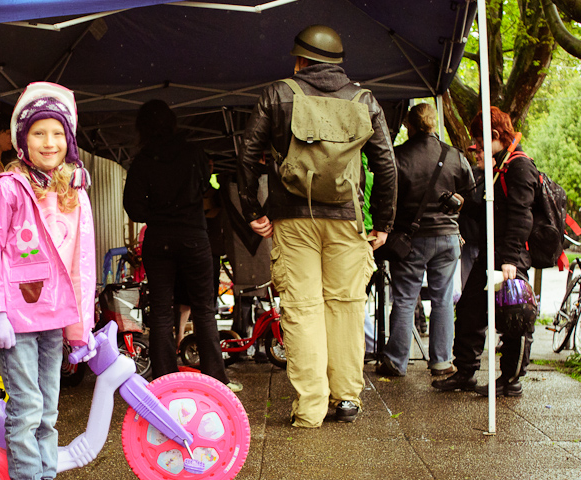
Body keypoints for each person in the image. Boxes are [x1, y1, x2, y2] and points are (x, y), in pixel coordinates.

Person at [237, 25, 397, 426]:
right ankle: (347, 399)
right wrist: (384, 223)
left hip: (292, 219)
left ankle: (310, 408)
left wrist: (253, 210)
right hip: (347, 220)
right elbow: (386, 166)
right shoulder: (364, 99)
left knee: (302, 308)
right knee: (345, 306)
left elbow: (247, 154)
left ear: (300, 60)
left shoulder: (278, 93)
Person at [0, 82, 96, 480]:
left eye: (58, 134)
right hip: (15, 318)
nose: (50, 142)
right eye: (39, 133)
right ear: (21, 140)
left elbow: (79, 261)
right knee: (26, 406)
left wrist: (79, 326)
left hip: (51, 316)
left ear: (70, 140)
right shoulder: (7, 189)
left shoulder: (69, 191)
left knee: (47, 407)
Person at [123, 99, 242, 393]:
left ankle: (163, 379)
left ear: (142, 128)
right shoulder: (194, 152)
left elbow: (133, 208)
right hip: (194, 236)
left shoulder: (142, 161)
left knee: (162, 310)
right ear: (173, 123)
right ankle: (218, 378)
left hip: (159, 238)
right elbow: (205, 187)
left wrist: (158, 213)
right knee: (204, 309)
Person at [432, 106, 538, 396]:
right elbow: (493, 213)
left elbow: (521, 215)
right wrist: (465, 205)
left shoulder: (519, 166)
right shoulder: (499, 167)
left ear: (495, 135)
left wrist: (511, 259)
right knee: (470, 310)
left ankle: (511, 380)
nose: (476, 148)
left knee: (515, 316)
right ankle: (465, 372)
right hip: (492, 252)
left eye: (479, 141)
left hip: (510, 257)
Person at [375, 103, 473, 378]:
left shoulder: (398, 156)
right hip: (448, 237)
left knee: (405, 299)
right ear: (433, 123)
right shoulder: (454, 155)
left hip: (410, 239)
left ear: (409, 125)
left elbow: (385, 196)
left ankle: (396, 361)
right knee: (443, 299)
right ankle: (441, 361)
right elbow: (470, 193)